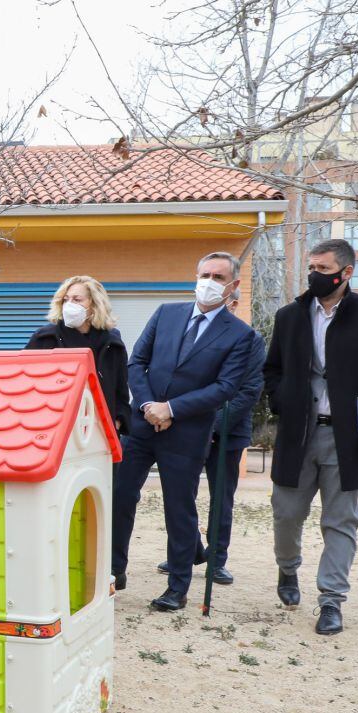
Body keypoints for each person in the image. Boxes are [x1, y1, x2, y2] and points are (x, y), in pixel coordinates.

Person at [265, 238, 358, 635]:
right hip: (297, 434)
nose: (315, 275)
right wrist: (282, 401)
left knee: (341, 520)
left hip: (349, 437)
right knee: (286, 513)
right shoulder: (290, 315)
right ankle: (288, 569)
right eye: (312, 267)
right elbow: (271, 369)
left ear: (346, 273)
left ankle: (331, 600)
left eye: (324, 269)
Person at [111, 251, 256, 611]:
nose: (208, 282)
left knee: (179, 509)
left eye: (218, 277)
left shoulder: (241, 335)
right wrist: (148, 405)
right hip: (141, 424)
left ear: (233, 286)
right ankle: (114, 571)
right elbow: (137, 362)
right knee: (120, 496)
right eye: (204, 273)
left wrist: (173, 409)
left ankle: (177, 586)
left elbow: (225, 387)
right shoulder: (166, 313)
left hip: (187, 433)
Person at [157, 290, 266, 585]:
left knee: (221, 499)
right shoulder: (193, 334)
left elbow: (248, 390)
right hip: (189, 428)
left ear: (233, 303)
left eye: (231, 303)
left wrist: (214, 424)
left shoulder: (249, 340)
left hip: (226, 432)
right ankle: (189, 551)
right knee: (182, 496)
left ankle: (216, 560)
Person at [24, 275, 131, 435]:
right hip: (55, 430)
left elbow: (121, 392)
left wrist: (117, 422)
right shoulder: (45, 338)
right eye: (66, 300)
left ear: (94, 304)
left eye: (77, 299)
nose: (69, 305)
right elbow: (26, 384)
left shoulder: (112, 342)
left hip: (100, 432)